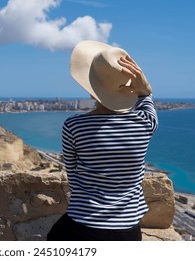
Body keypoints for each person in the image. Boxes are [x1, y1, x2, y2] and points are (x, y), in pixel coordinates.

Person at [47, 41, 158, 241]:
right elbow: (146, 98)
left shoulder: (74, 126)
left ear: (92, 90)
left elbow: (72, 175)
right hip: (129, 231)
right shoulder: (145, 123)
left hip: (83, 225)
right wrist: (144, 87)